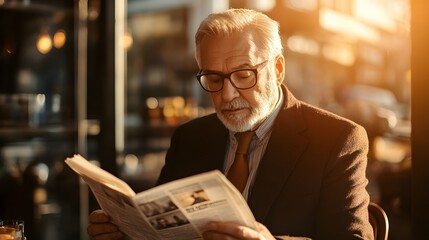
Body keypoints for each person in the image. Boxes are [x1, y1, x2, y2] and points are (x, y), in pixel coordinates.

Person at [87, 8, 374, 240]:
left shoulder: (337, 139)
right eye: (214, 78)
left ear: (277, 70)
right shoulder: (189, 138)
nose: (227, 95)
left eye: (244, 74)